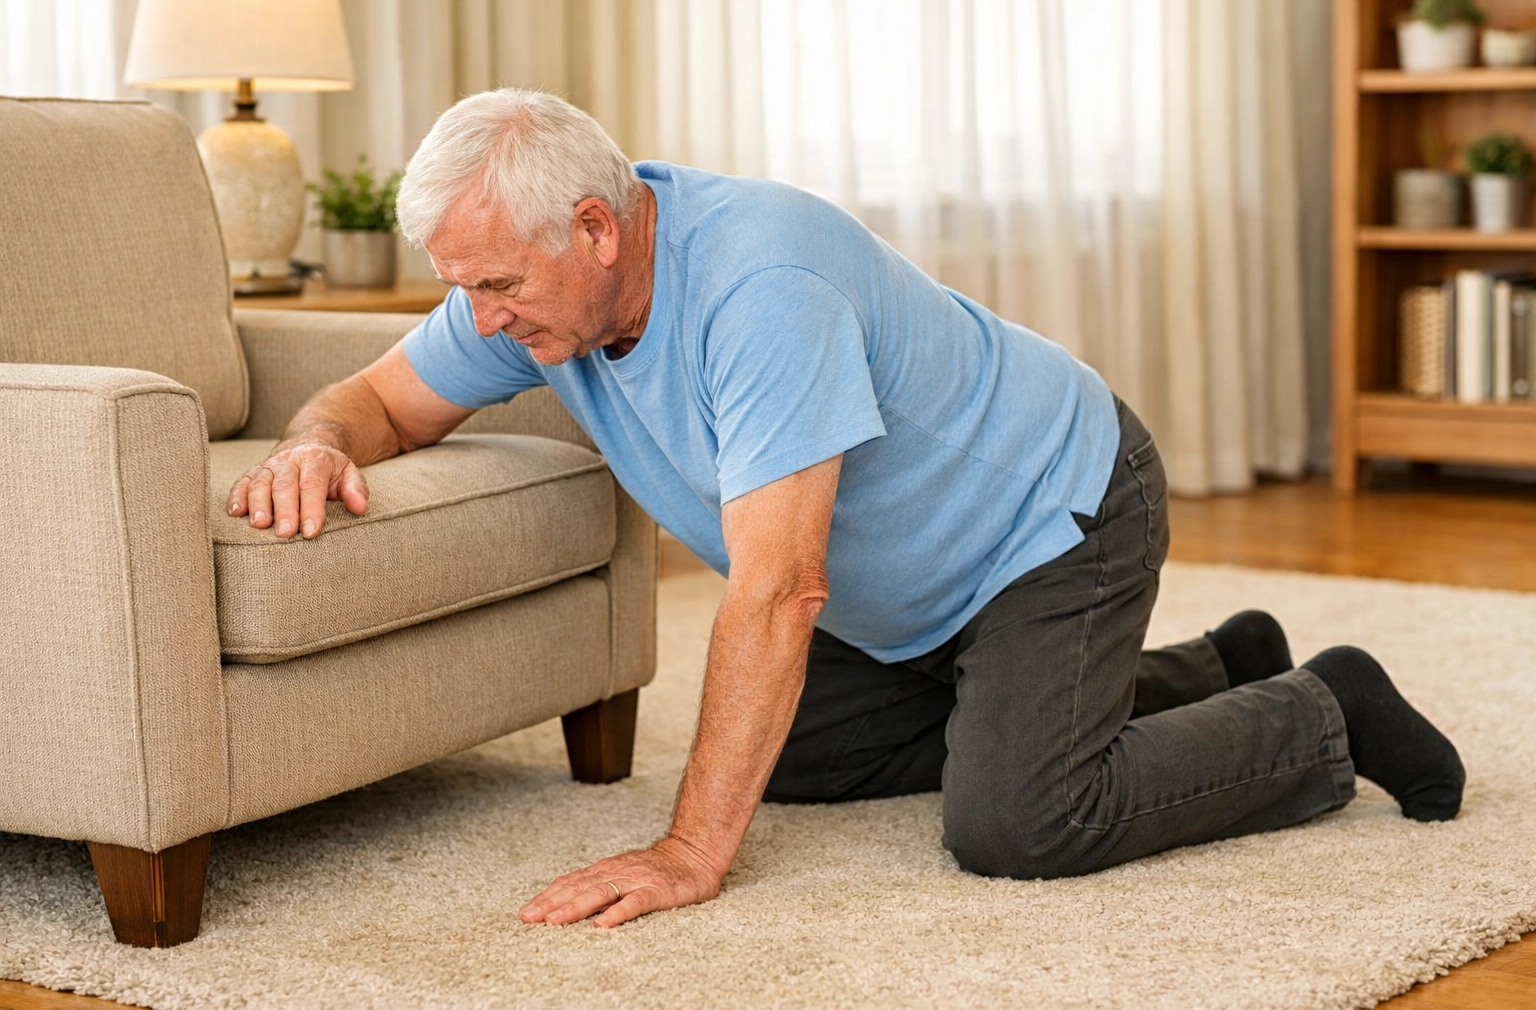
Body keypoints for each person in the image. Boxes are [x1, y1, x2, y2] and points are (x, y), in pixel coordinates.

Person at [227, 88, 1465, 929]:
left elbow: (780, 589)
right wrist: (313, 441)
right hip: (908, 603)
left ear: (595, 228)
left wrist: (688, 853)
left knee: (1020, 820)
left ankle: (1324, 710)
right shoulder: (526, 294)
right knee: (792, 758)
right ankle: (1215, 666)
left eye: (497, 284)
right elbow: (376, 401)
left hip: (1052, 518)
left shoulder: (760, 282)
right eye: (466, 290)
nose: (483, 319)